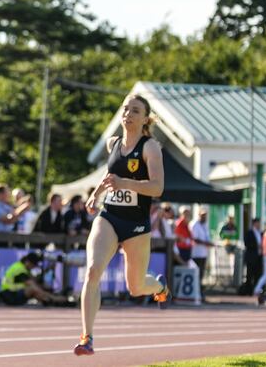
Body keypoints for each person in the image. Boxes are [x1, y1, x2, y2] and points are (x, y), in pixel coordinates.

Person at [75, 94, 167, 356]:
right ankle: (87, 337)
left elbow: (157, 188)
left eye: (135, 111)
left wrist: (126, 184)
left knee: (136, 287)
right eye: (126, 109)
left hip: (137, 224)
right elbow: (111, 172)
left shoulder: (150, 148)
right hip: (109, 217)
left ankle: (160, 286)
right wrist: (96, 195)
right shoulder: (112, 143)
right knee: (93, 271)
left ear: (145, 119)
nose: (128, 114)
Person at [0, 252, 70, 306]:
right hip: (9, 295)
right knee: (34, 289)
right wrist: (52, 296)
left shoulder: (22, 267)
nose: (33, 267)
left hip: (12, 294)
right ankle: (56, 300)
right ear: (28, 262)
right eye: (33, 265)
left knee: (38, 289)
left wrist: (48, 269)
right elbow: (33, 285)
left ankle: (52, 301)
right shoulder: (19, 270)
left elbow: (35, 279)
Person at [190, 207, 215, 300]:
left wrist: (209, 243)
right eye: (203, 215)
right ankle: (196, 292)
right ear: (199, 214)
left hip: (203, 254)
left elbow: (206, 238)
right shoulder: (194, 224)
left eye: (205, 215)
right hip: (195, 254)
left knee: (201, 275)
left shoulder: (205, 225)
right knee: (197, 274)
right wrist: (207, 243)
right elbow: (195, 239)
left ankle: (199, 292)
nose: (204, 217)